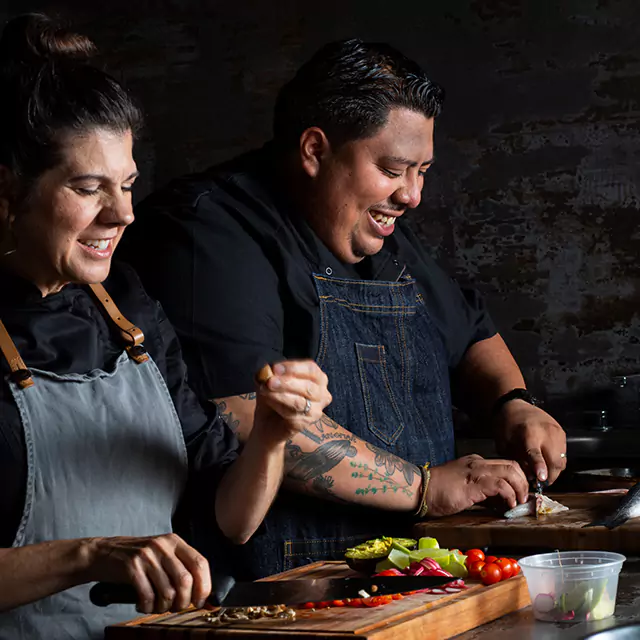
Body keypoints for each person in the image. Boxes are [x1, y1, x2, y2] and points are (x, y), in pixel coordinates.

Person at [124, 38, 567, 579]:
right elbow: (242, 417)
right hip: (276, 590)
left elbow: (471, 328)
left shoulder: (378, 230)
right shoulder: (205, 233)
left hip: (413, 577)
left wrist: (514, 404)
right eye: (394, 169)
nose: (413, 196)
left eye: (422, 171)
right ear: (315, 150)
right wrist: (426, 487)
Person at [0, 14, 332, 640]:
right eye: (88, 186)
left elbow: (229, 520)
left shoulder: (126, 307)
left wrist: (270, 434)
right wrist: (87, 555)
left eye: (127, 184)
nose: (123, 212)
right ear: (7, 190)